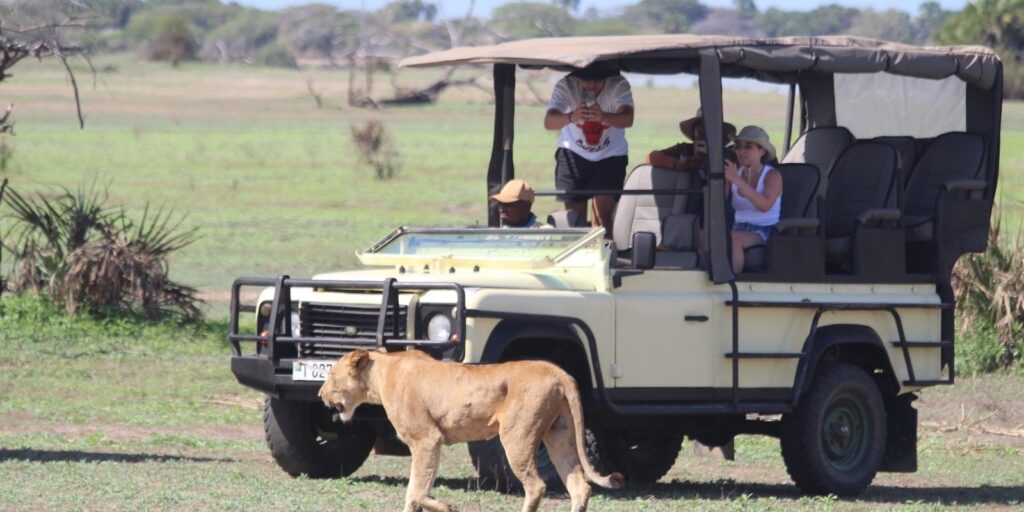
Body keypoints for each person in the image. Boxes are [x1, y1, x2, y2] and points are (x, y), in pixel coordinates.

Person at [544, 64, 634, 232]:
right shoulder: (566, 85)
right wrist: (571, 117)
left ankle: (604, 253)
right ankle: (577, 253)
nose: (592, 85)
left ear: (607, 78)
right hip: (573, 152)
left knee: (602, 219)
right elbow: (549, 122)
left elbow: (628, 118)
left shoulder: (618, 84)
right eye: (587, 80)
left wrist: (605, 117)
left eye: (599, 80)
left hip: (610, 155)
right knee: (573, 219)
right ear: (578, 77)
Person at [724, 125, 782, 274]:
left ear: (762, 151)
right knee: (703, 235)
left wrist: (737, 180)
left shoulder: (772, 175)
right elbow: (719, 202)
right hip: (738, 227)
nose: (741, 152)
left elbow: (764, 205)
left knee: (733, 239)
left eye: (748, 147)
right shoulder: (735, 173)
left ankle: (731, 285)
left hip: (765, 231)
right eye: (738, 147)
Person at [647, 108, 737, 175]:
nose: (704, 134)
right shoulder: (683, 150)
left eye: (710, 129)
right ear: (694, 133)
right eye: (701, 129)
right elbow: (651, 157)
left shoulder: (728, 155)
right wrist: (677, 164)